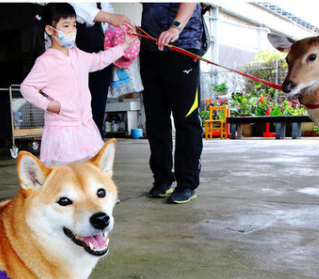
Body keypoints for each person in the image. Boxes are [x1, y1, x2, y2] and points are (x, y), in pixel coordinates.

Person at [21, 3, 135, 166]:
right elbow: (27, 88)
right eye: (65, 26)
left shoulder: (78, 55)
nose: (72, 30)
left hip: (85, 127)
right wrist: (49, 105)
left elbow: (100, 60)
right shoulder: (46, 61)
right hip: (62, 131)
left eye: (74, 25)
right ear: (50, 30)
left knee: (91, 174)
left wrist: (124, 45)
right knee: (66, 180)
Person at [139, 2, 204, 204]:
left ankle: (187, 184)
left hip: (183, 47)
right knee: (156, 120)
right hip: (151, 47)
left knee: (186, 119)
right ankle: (162, 180)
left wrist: (175, 27)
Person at [71, 3, 137, 132]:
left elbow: (109, 15)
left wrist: (123, 41)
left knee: (98, 105)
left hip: (102, 49)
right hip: (79, 46)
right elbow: (76, 6)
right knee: (78, 106)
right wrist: (109, 17)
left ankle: (96, 141)